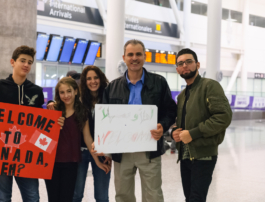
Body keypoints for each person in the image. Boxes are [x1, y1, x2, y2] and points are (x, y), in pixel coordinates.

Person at [0, 45, 64, 202]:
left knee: (32, 197)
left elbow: (39, 124)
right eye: (22, 61)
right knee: (3, 198)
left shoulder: (36, 91)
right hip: (0, 154)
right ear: (12, 62)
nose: (26, 65)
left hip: (26, 155)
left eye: (30, 62)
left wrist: (54, 116)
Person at [95, 39, 177, 202]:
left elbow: (171, 110)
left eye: (138, 54)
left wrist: (163, 126)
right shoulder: (112, 87)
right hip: (121, 151)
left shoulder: (159, 82)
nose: (134, 58)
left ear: (144, 56)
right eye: (130, 54)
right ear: (124, 57)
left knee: (153, 195)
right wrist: (102, 142)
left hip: (149, 150)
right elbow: (104, 117)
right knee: (123, 195)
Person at [171, 48, 232, 202]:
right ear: (177, 69)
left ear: (197, 64)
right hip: (185, 155)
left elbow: (223, 117)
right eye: (180, 63)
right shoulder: (182, 95)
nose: (185, 65)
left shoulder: (209, 86)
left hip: (203, 155)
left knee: (196, 198)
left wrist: (193, 133)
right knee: (189, 197)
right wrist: (175, 132)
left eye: (189, 61)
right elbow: (182, 123)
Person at [44, 77, 110, 202]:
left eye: (69, 91)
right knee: (53, 198)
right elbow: (41, 134)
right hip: (51, 162)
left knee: (67, 198)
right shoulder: (53, 110)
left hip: (71, 162)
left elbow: (87, 138)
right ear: (58, 94)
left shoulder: (82, 112)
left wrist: (97, 161)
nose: (66, 95)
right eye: (62, 92)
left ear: (75, 91)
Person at [72, 66, 111, 202]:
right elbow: (86, 134)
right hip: (81, 151)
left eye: (95, 77)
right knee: (76, 195)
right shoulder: (80, 101)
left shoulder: (109, 99)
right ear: (84, 81)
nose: (93, 81)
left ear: (101, 79)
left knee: (102, 196)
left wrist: (110, 153)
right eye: (89, 78)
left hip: (103, 152)